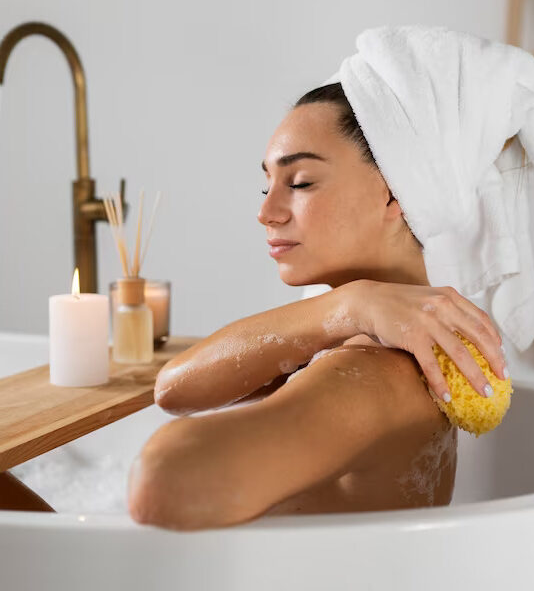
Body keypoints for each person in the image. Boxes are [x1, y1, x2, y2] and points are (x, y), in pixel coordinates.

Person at [127, 83, 510, 531]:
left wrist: (349, 304)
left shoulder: (369, 375)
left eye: (301, 182)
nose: (266, 211)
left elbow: (164, 481)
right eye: (266, 185)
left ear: (393, 195)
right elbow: (173, 390)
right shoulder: (360, 342)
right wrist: (349, 306)